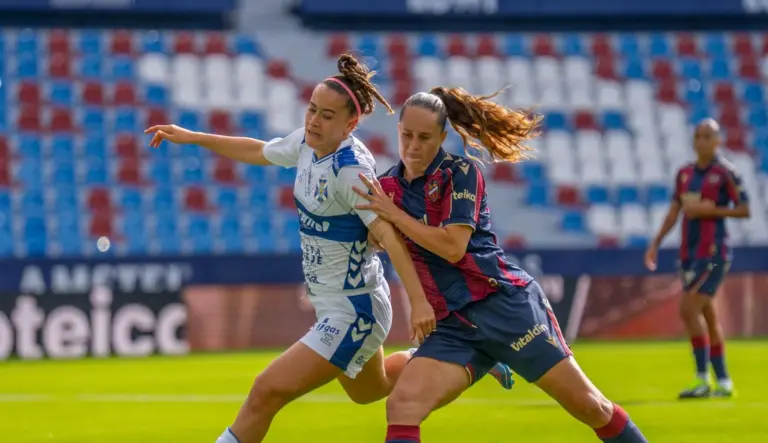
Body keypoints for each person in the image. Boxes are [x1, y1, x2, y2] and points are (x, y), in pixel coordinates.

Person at [145, 54, 512, 443]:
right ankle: (472, 356)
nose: (314, 121)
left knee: (265, 391)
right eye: (312, 110)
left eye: (327, 115)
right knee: (370, 389)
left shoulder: (351, 171)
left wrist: (419, 302)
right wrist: (192, 136)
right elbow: (258, 150)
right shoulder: (307, 144)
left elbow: (388, 237)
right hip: (337, 303)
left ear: (350, 124)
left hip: (354, 310)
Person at [353, 87, 649, 443]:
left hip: (504, 306)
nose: (413, 146)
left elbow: (452, 247)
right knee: (402, 405)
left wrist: (394, 215)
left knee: (589, 407)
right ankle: (491, 360)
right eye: (406, 135)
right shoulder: (386, 188)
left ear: (442, 137)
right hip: (454, 327)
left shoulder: (461, 174)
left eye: (424, 137)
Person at [645, 118, 749, 399]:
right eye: (698, 136)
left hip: (715, 253)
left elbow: (744, 209)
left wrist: (711, 211)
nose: (701, 141)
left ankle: (702, 378)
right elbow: (674, 211)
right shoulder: (684, 174)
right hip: (689, 254)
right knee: (708, 315)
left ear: (717, 141)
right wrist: (655, 243)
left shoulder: (726, 173)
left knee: (688, 309)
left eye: (707, 136)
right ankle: (724, 382)